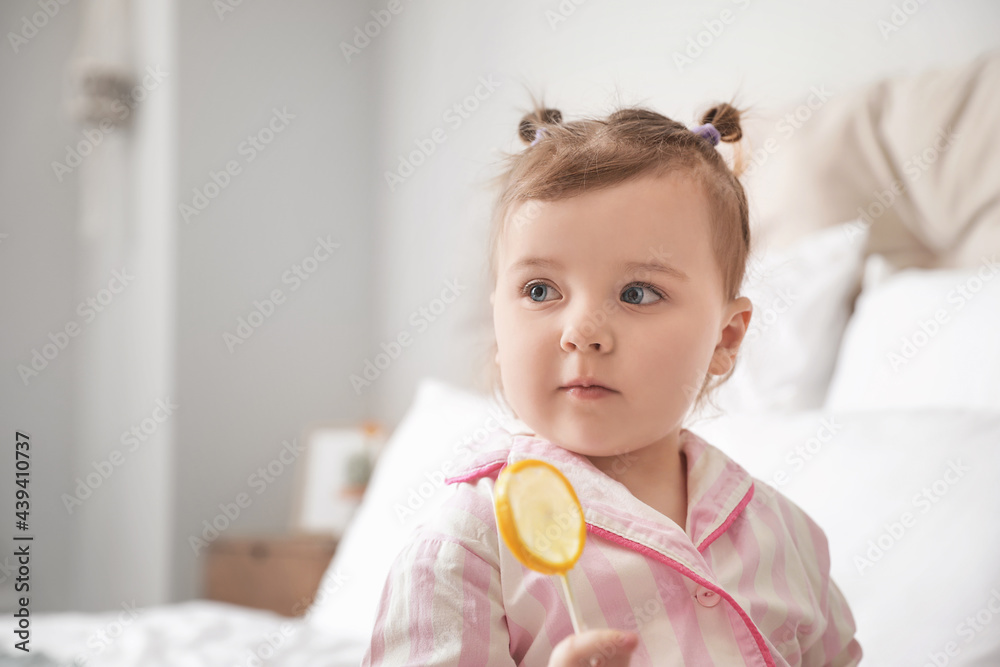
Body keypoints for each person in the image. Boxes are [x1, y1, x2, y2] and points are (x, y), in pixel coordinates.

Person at [362, 97, 862, 666]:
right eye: (540, 291)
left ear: (725, 338)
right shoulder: (469, 544)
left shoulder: (786, 538)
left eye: (637, 293)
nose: (582, 333)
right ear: (499, 328)